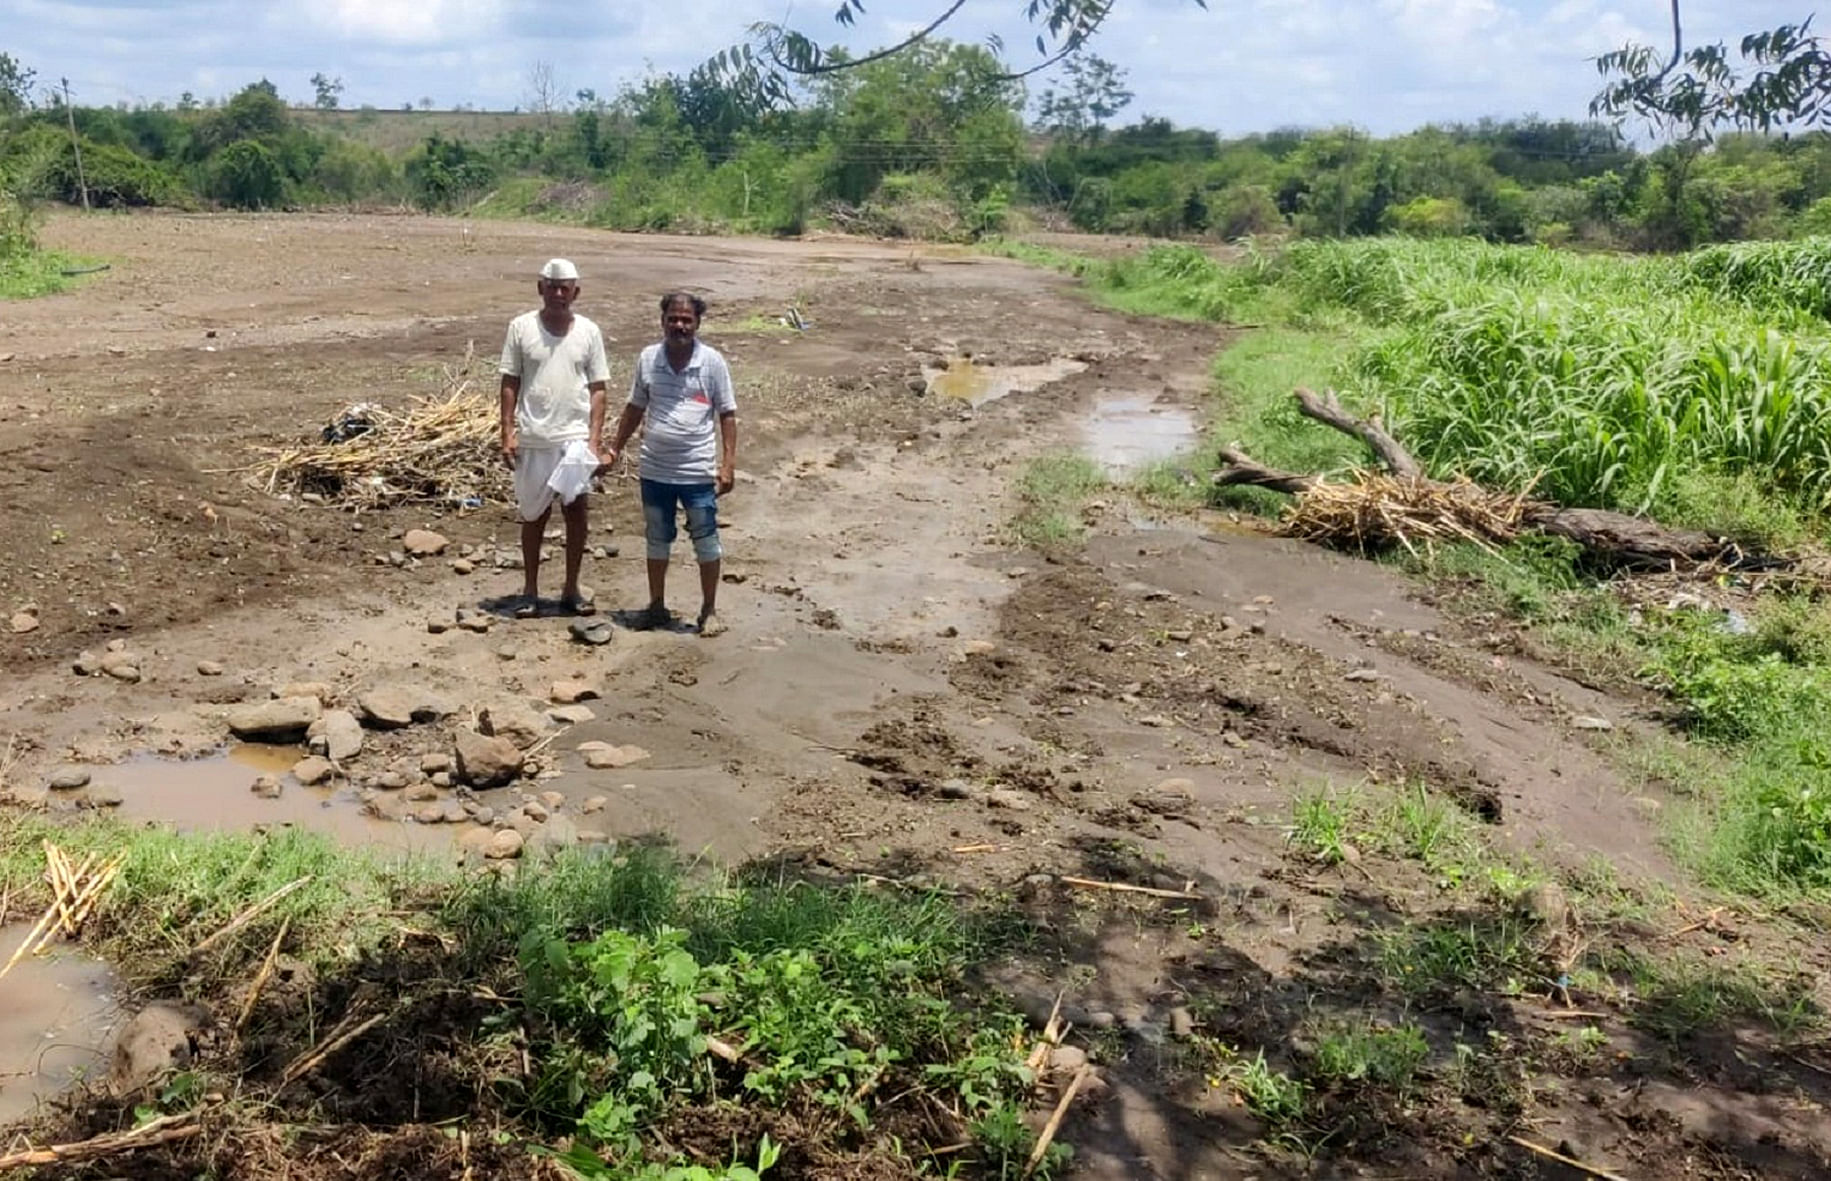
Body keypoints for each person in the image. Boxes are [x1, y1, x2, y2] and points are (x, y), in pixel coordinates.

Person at [602, 292, 738, 637]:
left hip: (697, 471)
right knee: (657, 539)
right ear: (662, 321)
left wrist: (728, 465)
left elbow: (727, 414)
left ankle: (709, 611)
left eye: (686, 320)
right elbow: (635, 407)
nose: (679, 325)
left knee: (706, 540)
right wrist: (614, 449)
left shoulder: (712, 362)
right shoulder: (649, 358)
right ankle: (656, 605)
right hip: (655, 470)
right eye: (673, 319)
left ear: (697, 323)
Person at [498, 258, 610, 617]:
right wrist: (507, 431)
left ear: (576, 292)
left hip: (574, 437)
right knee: (534, 515)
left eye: (566, 288)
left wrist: (593, 440)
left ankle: (571, 589)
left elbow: (598, 389)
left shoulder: (589, 331)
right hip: (534, 435)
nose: (559, 294)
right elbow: (510, 381)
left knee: (576, 511)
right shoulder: (520, 328)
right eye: (552, 286)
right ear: (540, 288)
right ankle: (530, 590)